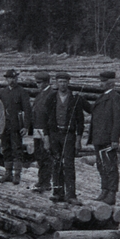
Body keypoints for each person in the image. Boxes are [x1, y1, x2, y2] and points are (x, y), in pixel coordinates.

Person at [45, 71, 88, 202]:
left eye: (65, 82)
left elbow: (80, 121)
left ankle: (71, 195)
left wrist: (78, 139)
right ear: (56, 83)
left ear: (68, 83)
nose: (62, 84)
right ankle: (58, 192)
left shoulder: (75, 99)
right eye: (60, 82)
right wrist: (46, 138)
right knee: (56, 163)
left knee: (69, 165)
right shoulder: (51, 98)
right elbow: (46, 120)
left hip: (69, 136)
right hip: (54, 134)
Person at [88, 70, 120, 205]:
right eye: (101, 81)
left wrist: (115, 139)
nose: (101, 84)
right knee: (101, 165)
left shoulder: (115, 98)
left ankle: (111, 193)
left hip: (108, 139)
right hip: (99, 138)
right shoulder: (103, 97)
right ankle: (104, 190)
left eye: (103, 81)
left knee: (110, 166)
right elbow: (93, 111)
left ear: (111, 83)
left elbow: (119, 120)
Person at [0, 68, 32, 185]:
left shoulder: (22, 92)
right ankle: (7, 173)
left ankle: (17, 175)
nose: (11, 80)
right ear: (6, 79)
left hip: (16, 126)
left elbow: (27, 110)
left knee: (17, 150)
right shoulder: (3, 93)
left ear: (17, 78)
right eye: (9, 78)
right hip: (4, 126)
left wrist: (26, 126)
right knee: (6, 149)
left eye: (13, 78)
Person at [29, 70, 54, 192]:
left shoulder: (51, 95)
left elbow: (50, 116)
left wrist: (48, 133)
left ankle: (46, 182)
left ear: (46, 82)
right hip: (37, 129)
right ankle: (41, 180)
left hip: (46, 130)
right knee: (39, 155)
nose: (37, 85)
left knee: (46, 156)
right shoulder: (40, 95)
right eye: (36, 83)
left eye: (39, 83)